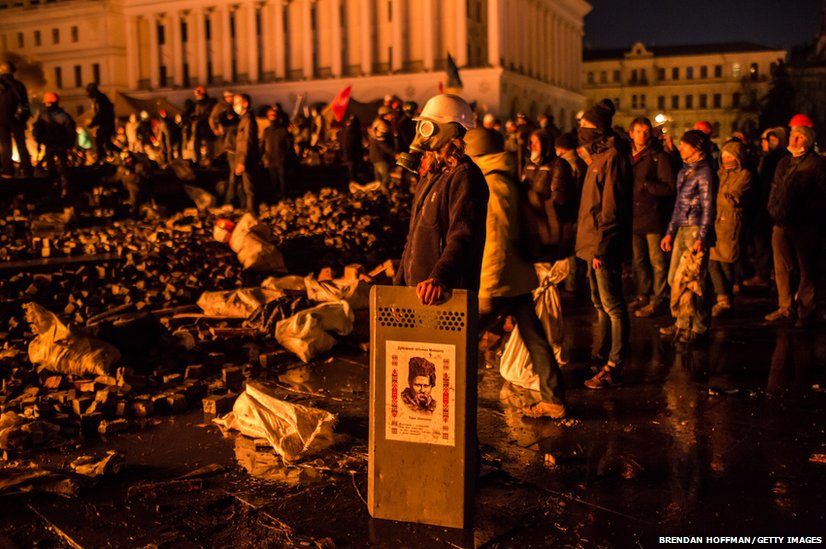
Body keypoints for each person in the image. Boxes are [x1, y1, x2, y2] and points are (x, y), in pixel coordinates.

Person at [465, 127, 566, 418]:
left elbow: (496, 239)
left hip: (501, 279)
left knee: (463, 338)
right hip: (520, 275)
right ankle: (553, 399)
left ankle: (445, 399)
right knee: (535, 338)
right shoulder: (506, 175)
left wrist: (486, 289)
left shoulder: (493, 183)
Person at [393, 93, 489, 306]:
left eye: (428, 126)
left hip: (443, 296)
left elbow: (463, 235)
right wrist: (399, 285)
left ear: (449, 129)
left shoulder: (465, 176)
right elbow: (414, 235)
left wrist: (440, 277)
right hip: (418, 292)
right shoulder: (433, 174)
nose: (421, 134)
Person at [574, 99, 632, 389]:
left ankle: (615, 363)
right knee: (600, 303)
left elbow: (610, 208)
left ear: (597, 128)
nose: (580, 129)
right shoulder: (598, 156)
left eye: (585, 125)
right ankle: (601, 354)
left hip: (601, 245)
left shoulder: (613, 157)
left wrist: (602, 246)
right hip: (590, 243)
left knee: (613, 305)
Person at [765, 116, 826, 327]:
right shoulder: (784, 162)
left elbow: (822, 196)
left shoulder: (816, 164)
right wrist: (773, 209)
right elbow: (774, 188)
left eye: (799, 136)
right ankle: (785, 306)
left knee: (805, 268)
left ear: (807, 140)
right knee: (782, 267)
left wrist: (804, 214)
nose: (795, 139)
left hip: (804, 226)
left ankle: (806, 311)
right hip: (781, 223)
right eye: (793, 135)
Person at [659, 129, 715, 343]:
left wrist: (702, 235)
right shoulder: (684, 172)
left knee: (694, 280)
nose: (679, 148)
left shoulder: (705, 172)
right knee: (676, 279)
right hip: (682, 228)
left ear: (696, 148)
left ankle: (699, 327)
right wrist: (670, 232)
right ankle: (682, 324)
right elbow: (678, 205)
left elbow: (708, 206)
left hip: (695, 230)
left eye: (684, 144)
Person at [628, 117, 677, 318]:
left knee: (657, 261)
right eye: (638, 131)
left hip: (652, 216)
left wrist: (648, 186)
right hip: (632, 216)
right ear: (631, 133)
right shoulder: (626, 156)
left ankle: (658, 299)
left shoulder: (658, 157)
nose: (642, 135)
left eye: (646, 131)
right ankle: (643, 295)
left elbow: (670, 187)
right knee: (638, 260)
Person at [709, 140, 752, 316]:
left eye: (731, 156)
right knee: (713, 261)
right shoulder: (720, 174)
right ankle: (722, 296)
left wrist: (718, 197)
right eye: (724, 155)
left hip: (731, 223)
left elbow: (734, 197)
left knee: (727, 262)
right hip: (716, 221)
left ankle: (726, 300)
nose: (727, 159)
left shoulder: (745, 175)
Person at [521, 129, 577, 263]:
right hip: (532, 226)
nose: (532, 146)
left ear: (546, 144)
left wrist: (539, 202)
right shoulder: (528, 166)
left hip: (551, 229)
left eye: (537, 142)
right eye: (531, 142)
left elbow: (559, 198)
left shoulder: (558, 164)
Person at [744, 127, 788, 288]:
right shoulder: (769, 157)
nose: (763, 143)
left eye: (765, 140)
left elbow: (767, 183)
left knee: (763, 241)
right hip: (766, 204)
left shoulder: (774, 158)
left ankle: (764, 274)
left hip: (767, 205)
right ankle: (768, 273)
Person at [32, 92, 75, 196]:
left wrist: (39, 143)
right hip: (61, 145)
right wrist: (70, 146)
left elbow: (37, 131)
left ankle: (53, 186)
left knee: (51, 167)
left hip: (50, 145)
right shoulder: (64, 116)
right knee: (63, 166)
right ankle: (64, 187)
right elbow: (71, 132)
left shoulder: (43, 116)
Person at [0, 61, 31, 178]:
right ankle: (27, 171)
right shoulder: (19, 85)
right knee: (21, 145)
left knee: (5, 146)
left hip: (1, 122)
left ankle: (7, 172)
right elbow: (25, 105)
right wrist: (23, 119)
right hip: (17, 121)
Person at [227, 93, 258, 212]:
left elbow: (246, 142)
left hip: (247, 160)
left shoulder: (248, 120)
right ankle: (249, 211)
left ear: (245, 103)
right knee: (247, 187)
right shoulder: (244, 120)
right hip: (244, 159)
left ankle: (251, 213)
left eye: (237, 103)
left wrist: (242, 162)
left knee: (249, 188)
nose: (235, 106)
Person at [261, 107, 292, 200]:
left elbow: (288, 146)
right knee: (273, 181)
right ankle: (276, 198)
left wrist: (285, 157)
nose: (272, 117)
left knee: (283, 180)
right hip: (270, 160)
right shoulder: (266, 131)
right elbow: (262, 145)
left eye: (274, 115)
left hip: (281, 159)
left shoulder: (283, 130)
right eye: (270, 115)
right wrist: (263, 157)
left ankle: (284, 198)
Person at [86, 83, 117, 164]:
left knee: (101, 141)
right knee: (105, 143)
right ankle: (101, 158)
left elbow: (101, 114)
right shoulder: (100, 99)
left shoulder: (100, 99)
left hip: (106, 125)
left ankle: (101, 158)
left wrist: (92, 123)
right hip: (106, 124)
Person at [368, 106, 395, 190]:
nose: (392, 116)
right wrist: (394, 153)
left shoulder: (378, 122)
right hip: (380, 157)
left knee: (378, 181)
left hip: (376, 156)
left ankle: (378, 197)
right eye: (390, 114)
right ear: (384, 115)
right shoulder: (382, 125)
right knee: (386, 179)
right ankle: (384, 196)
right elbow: (382, 143)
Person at [209, 90, 239, 160]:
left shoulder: (236, 105)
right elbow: (212, 118)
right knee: (224, 147)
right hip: (224, 130)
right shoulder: (220, 106)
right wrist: (214, 128)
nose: (229, 98)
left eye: (231, 96)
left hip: (235, 129)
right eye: (227, 97)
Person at [191, 86, 217, 164]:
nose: (197, 96)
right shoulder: (197, 104)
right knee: (196, 145)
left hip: (207, 128)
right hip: (198, 128)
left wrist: (197, 117)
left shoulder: (210, 103)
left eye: (198, 93)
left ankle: (210, 162)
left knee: (209, 146)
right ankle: (198, 161)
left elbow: (209, 115)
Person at [339, 114, 363, 184]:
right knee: (352, 173)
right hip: (351, 155)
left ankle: (350, 184)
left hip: (349, 155)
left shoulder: (344, 130)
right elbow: (348, 145)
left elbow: (342, 143)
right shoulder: (352, 132)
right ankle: (351, 186)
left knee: (350, 172)